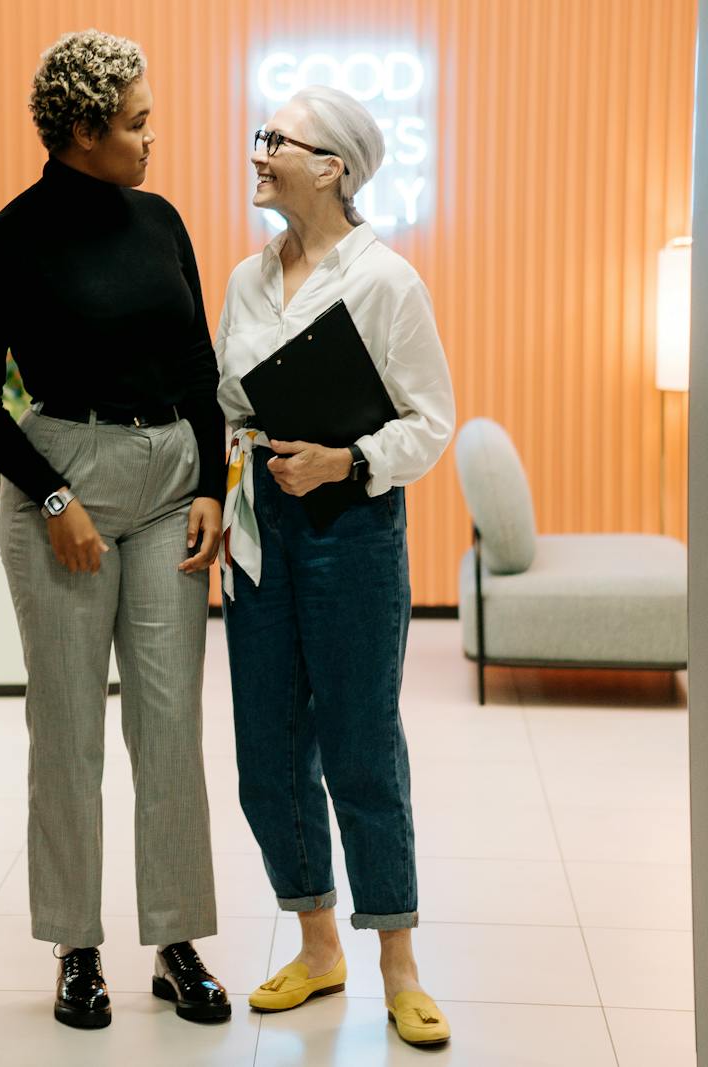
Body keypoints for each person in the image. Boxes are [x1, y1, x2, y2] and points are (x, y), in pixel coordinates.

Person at [0, 29, 229, 1031]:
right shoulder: (7, 239)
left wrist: (213, 482)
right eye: (137, 123)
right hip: (61, 483)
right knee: (65, 730)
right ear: (81, 131)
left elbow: (199, 365)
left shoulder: (160, 222)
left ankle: (176, 937)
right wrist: (54, 498)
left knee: (169, 722)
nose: (151, 140)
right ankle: (75, 943)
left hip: (169, 489)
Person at [214, 85, 456, 1046]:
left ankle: (398, 958)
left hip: (353, 524)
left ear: (335, 168)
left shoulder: (387, 281)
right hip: (264, 526)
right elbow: (230, 401)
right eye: (262, 134)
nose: (260, 150)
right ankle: (319, 945)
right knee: (267, 752)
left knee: (359, 742)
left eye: (280, 139)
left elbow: (430, 423)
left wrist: (347, 461)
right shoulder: (245, 279)